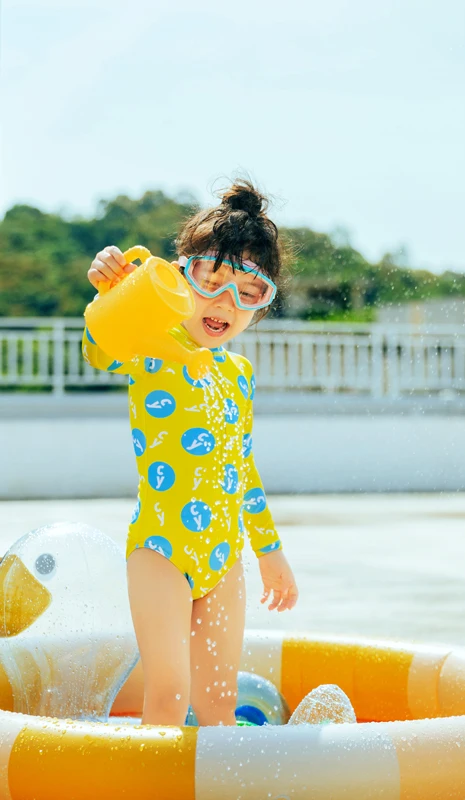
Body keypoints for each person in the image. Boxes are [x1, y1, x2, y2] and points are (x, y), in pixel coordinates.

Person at [83, 179, 298, 727]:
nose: (225, 301)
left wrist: (269, 552)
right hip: (162, 551)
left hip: (224, 560)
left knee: (220, 705)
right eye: (212, 279)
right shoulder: (152, 347)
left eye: (248, 290)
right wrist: (110, 288)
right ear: (182, 275)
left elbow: (242, 467)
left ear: (262, 303)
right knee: (169, 696)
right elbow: (100, 348)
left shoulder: (238, 374)